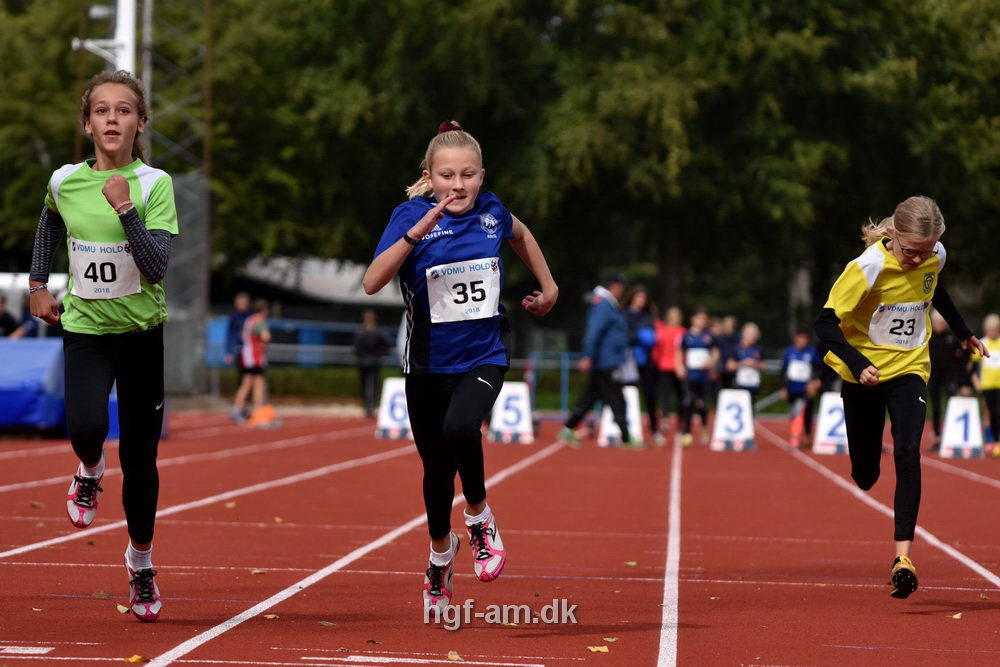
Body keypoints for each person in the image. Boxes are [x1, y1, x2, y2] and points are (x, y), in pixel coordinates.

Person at [362, 121, 557, 618]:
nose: (459, 185)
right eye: (448, 175)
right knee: (434, 471)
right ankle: (439, 557)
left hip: (484, 353)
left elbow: (522, 234)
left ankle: (479, 516)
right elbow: (371, 282)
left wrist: (548, 286)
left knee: (461, 426)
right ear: (430, 178)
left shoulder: (492, 211)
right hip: (427, 364)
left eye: (468, 174)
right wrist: (416, 232)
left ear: (481, 175)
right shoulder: (407, 216)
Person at [27, 70, 177, 622]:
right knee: (87, 428)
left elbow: (158, 269)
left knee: (141, 461)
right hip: (86, 331)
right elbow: (48, 222)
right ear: (86, 122)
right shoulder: (64, 179)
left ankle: (140, 563)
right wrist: (38, 283)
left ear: (140, 123)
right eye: (102, 111)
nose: (113, 119)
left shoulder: (154, 183)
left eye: (124, 111)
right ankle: (89, 471)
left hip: (141, 336)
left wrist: (125, 208)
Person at [815, 195, 988, 599]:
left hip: (910, 367)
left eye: (926, 251)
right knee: (866, 475)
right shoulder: (866, 268)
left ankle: (902, 559)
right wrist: (858, 364)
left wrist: (964, 332)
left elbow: (935, 289)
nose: (917, 260)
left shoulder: (934, 254)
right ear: (892, 235)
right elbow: (824, 324)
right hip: (865, 375)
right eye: (911, 251)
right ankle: (865, 462)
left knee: (909, 451)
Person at [557, 274, 634, 448]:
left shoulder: (608, 304)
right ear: (614, 287)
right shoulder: (604, 304)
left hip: (607, 359)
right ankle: (626, 436)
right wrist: (588, 355)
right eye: (621, 287)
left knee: (591, 396)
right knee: (615, 397)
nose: (622, 291)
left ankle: (568, 428)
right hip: (605, 360)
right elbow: (594, 330)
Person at [927, 310, 971, 450]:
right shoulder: (927, 337)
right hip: (933, 376)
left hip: (950, 377)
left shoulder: (953, 338)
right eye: (936, 322)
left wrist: (964, 381)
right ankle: (937, 436)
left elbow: (966, 358)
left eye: (941, 322)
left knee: (951, 405)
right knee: (936, 407)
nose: (938, 325)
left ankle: (951, 436)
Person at [676, 307, 719, 446]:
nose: (701, 322)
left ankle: (704, 424)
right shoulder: (686, 336)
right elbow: (679, 352)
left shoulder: (709, 337)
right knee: (688, 401)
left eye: (703, 319)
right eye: (698, 318)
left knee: (702, 403)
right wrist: (679, 366)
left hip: (704, 375)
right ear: (693, 319)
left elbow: (715, 353)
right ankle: (687, 431)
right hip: (690, 373)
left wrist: (711, 362)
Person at [624, 285, 661, 444]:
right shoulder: (623, 314)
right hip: (626, 360)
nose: (640, 301)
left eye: (643, 298)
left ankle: (655, 429)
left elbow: (651, 339)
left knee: (650, 395)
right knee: (624, 393)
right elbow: (623, 335)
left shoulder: (648, 317)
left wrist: (637, 335)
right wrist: (638, 335)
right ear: (632, 297)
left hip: (644, 361)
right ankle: (623, 428)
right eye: (638, 297)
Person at [231, 298, 272, 426]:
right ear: (264, 310)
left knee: (246, 382)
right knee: (258, 383)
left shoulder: (248, 320)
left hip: (246, 355)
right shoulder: (259, 321)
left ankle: (236, 410)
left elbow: (241, 335)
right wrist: (264, 345)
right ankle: (258, 412)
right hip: (255, 356)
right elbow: (266, 336)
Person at [780, 325, 822, 449]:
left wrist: (815, 382)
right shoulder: (788, 351)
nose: (803, 341)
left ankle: (806, 436)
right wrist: (782, 387)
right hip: (792, 388)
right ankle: (795, 436)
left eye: (805, 339)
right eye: (800, 338)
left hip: (806, 388)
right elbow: (783, 371)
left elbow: (818, 369)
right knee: (793, 413)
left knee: (806, 412)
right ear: (795, 338)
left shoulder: (812, 352)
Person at [652, 306, 686, 436]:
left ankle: (681, 420)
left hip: (678, 368)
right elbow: (657, 348)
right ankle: (665, 419)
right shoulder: (662, 330)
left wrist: (682, 365)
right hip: (664, 367)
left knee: (681, 396)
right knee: (664, 395)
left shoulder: (683, 332)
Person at [354, 308, 391, 418]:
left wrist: (380, 353)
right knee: (365, 384)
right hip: (363, 362)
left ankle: (369, 407)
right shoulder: (361, 331)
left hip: (374, 361)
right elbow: (356, 347)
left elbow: (386, 345)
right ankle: (367, 407)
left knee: (372, 385)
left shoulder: (377, 331)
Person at [972, 313, 1000, 451]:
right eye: (989, 329)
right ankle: (991, 440)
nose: (992, 332)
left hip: (999, 384)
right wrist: (975, 380)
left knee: (998, 412)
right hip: (987, 385)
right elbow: (972, 367)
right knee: (990, 413)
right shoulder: (982, 343)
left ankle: (997, 440)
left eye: (994, 329)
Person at [225, 292, 252, 422]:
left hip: (251, 352)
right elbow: (230, 334)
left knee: (250, 380)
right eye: (240, 303)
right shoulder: (234, 316)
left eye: (244, 303)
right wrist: (229, 352)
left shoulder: (250, 316)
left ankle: (244, 407)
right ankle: (238, 408)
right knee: (244, 380)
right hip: (240, 352)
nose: (242, 306)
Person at [729, 321, 765, 404]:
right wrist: (744, 364)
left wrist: (755, 364)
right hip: (740, 384)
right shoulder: (736, 349)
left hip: (753, 384)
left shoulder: (758, 349)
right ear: (743, 334)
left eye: (754, 335)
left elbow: (764, 366)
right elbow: (730, 366)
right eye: (749, 334)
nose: (751, 337)